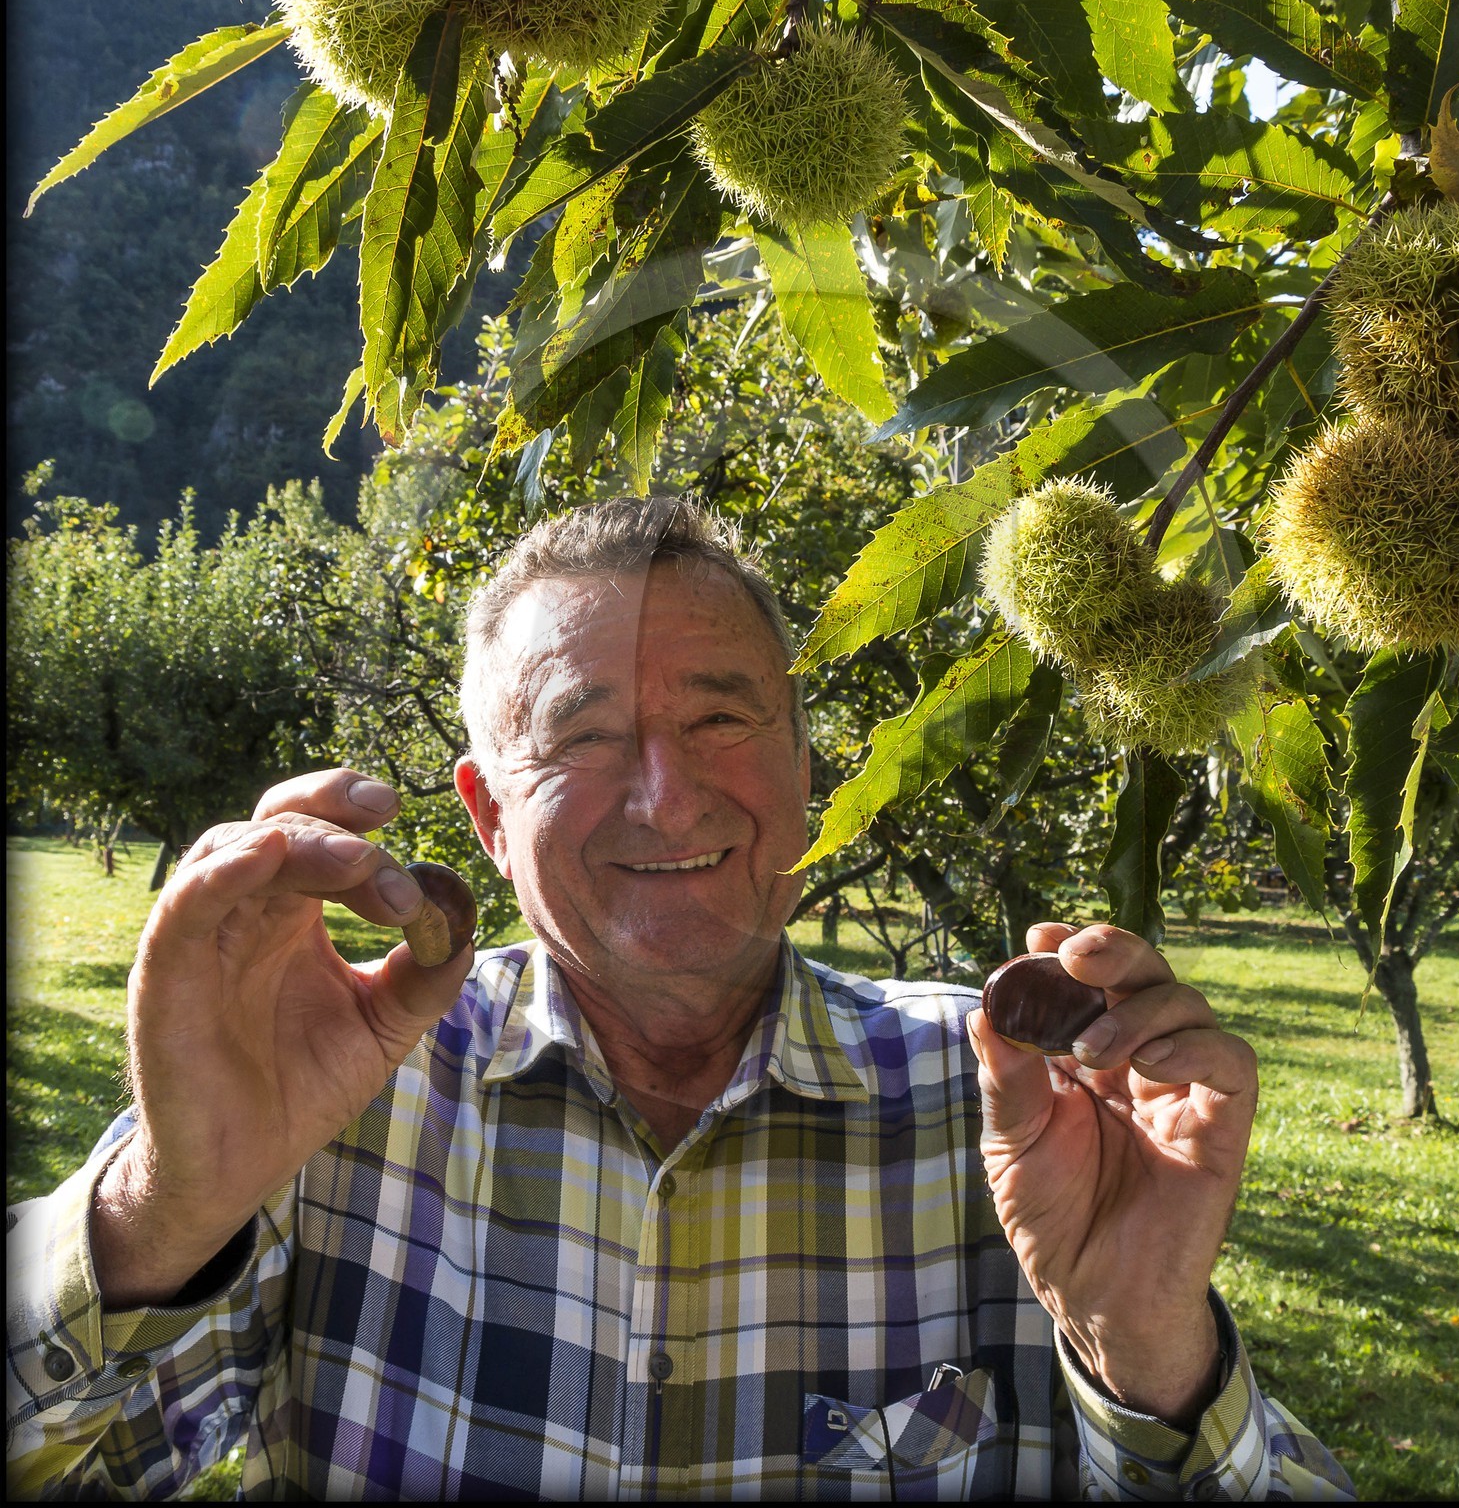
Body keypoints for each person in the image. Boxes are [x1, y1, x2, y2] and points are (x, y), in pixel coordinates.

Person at [7, 496, 1354, 1501]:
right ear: (482, 814)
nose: (668, 795)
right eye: (582, 735)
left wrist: (1151, 1349)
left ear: (805, 764)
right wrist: (165, 1214)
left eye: (720, 720)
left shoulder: (1020, 1110)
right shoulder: (340, 1090)